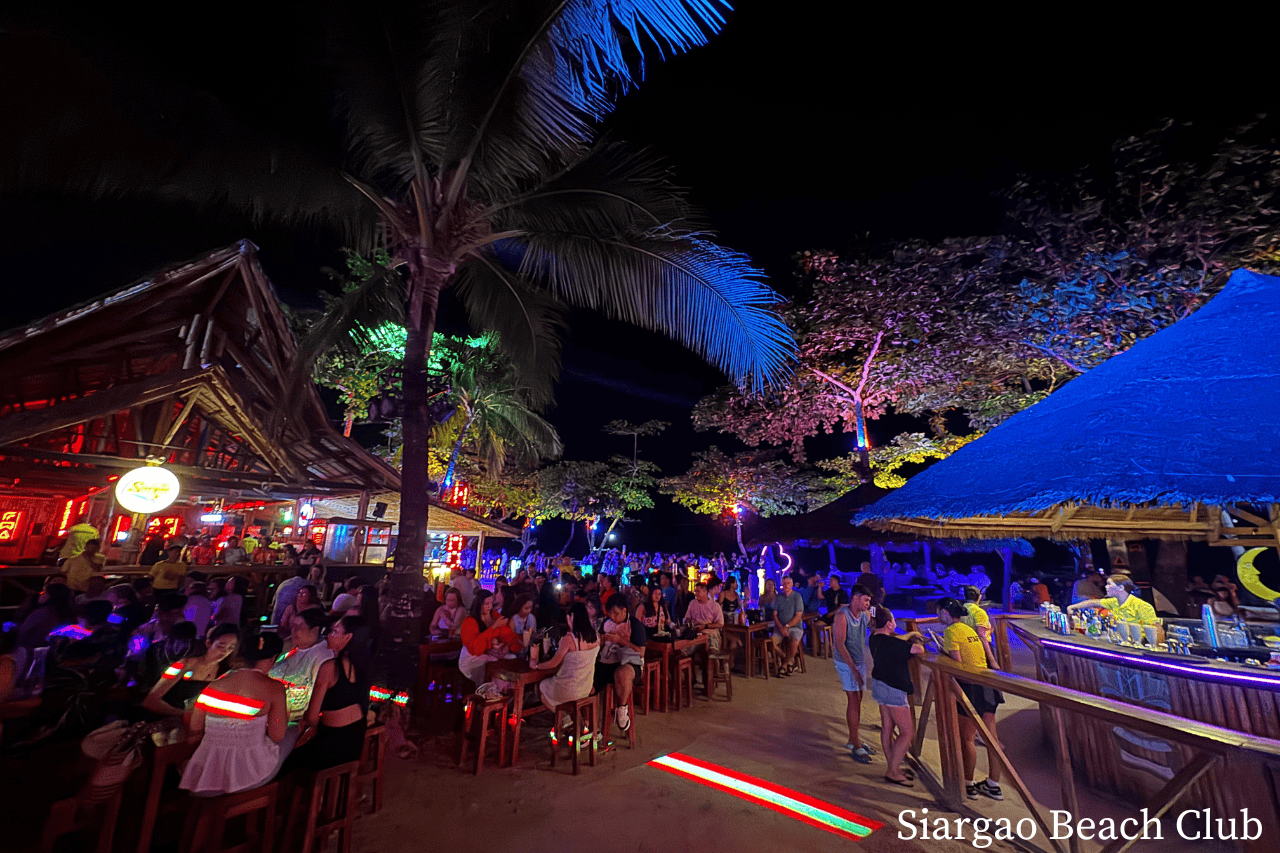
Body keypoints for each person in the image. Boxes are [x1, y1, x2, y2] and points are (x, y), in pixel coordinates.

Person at [181, 632, 290, 797]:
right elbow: (277, 735)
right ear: (272, 659)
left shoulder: (212, 687)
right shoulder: (274, 688)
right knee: (293, 732)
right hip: (251, 770)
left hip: (207, 770)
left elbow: (195, 728)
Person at [937, 598, 1004, 801]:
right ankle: (993, 784)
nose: (938, 615)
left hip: (970, 686)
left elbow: (957, 663)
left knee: (967, 738)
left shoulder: (951, 631)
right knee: (991, 739)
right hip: (987, 684)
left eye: (939, 612)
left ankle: (968, 784)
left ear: (946, 614)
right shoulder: (969, 630)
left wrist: (942, 652)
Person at [291, 614, 371, 771]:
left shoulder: (330, 667)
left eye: (335, 631)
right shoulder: (363, 666)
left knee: (288, 758)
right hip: (354, 741)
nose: (328, 635)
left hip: (331, 745)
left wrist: (304, 721)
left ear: (348, 637)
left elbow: (313, 718)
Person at [868, 607, 925, 787]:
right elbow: (918, 650)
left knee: (887, 727)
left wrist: (906, 636)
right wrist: (915, 639)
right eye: (893, 620)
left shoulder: (874, 639)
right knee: (907, 732)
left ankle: (892, 764)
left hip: (879, 685)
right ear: (889, 624)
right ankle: (893, 770)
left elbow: (894, 641)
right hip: (894, 689)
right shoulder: (893, 644)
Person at [143, 624, 240, 718]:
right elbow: (150, 701)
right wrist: (185, 714)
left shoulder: (223, 671)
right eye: (221, 646)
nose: (225, 652)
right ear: (208, 643)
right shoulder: (182, 665)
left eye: (230, 648)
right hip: (164, 719)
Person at [833, 584, 874, 763]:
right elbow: (840, 644)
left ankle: (853, 739)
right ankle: (856, 744)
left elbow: (873, 630)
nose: (867, 604)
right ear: (855, 598)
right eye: (865, 600)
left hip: (859, 661)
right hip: (845, 662)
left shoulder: (864, 615)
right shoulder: (842, 616)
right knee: (853, 699)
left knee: (859, 698)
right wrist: (853, 669)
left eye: (869, 601)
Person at [532, 602, 599, 713]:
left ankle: (563, 716)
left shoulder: (569, 639)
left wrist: (536, 665)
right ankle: (569, 717)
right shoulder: (596, 636)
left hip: (569, 689)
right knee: (550, 684)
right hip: (585, 688)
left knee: (540, 686)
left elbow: (554, 663)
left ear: (571, 617)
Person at [270, 609, 336, 721]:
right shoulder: (290, 649)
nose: (294, 630)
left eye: (300, 626)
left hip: (294, 716)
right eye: (293, 626)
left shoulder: (322, 655)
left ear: (315, 630)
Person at [595, 594, 647, 733]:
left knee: (622, 673)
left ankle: (622, 709)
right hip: (607, 661)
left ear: (624, 611)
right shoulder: (607, 623)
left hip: (630, 663)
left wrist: (620, 640)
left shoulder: (635, 625)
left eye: (616, 613)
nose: (612, 616)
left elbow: (641, 652)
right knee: (588, 683)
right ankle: (590, 727)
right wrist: (601, 641)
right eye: (610, 613)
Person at [458, 589, 521, 685]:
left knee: (512, 658)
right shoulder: (470, 621)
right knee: (495, 662)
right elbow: (475, 648)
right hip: (472, 658)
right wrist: (494, 626)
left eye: (491, 603)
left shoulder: (494, 615)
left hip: (491, 654)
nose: (489, 606)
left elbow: (506, 634)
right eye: (486, 603)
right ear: (479, 604)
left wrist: (506, 646)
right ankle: (491, 692)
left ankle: (513, 691)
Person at [1067, 575, 1158, 624]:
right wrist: (1073, 606)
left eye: (1109, 584)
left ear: (1121, 588)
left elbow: (1157, 630)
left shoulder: (1142, 606)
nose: (1106, 587)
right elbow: (1093, 602)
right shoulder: (1114, 601)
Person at [17, 581, 76, 649]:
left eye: (45, 593)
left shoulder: (40, 614)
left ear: (51, 596)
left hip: (33, 651)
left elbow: (21, 633)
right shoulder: (69, 614)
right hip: (56, 652)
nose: (41, 595)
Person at [772, 575, 805, 674]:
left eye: (788, 583)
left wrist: (787, 626)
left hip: (795, 627)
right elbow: (775, 615)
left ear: (791, 584)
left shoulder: (797, 597)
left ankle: (784, 665)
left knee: (794, 642)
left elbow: (798, 616)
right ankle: (790, 662)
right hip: (780, 628)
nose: (785, 585)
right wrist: (781, 627)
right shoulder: (778, 597)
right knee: (772, 643)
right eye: (784, 583)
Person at [683, 582, 725, 654]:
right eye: (695, 591)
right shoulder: (692, 603)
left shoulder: (715, 606)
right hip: (696, 633)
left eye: (698, 591)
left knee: (712, 652)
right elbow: (687, 618)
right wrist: (687, 623)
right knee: (683, 649)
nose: (695, 593)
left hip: (710, 633)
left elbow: (720, 624)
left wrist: (705, 626)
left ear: (705, 592)